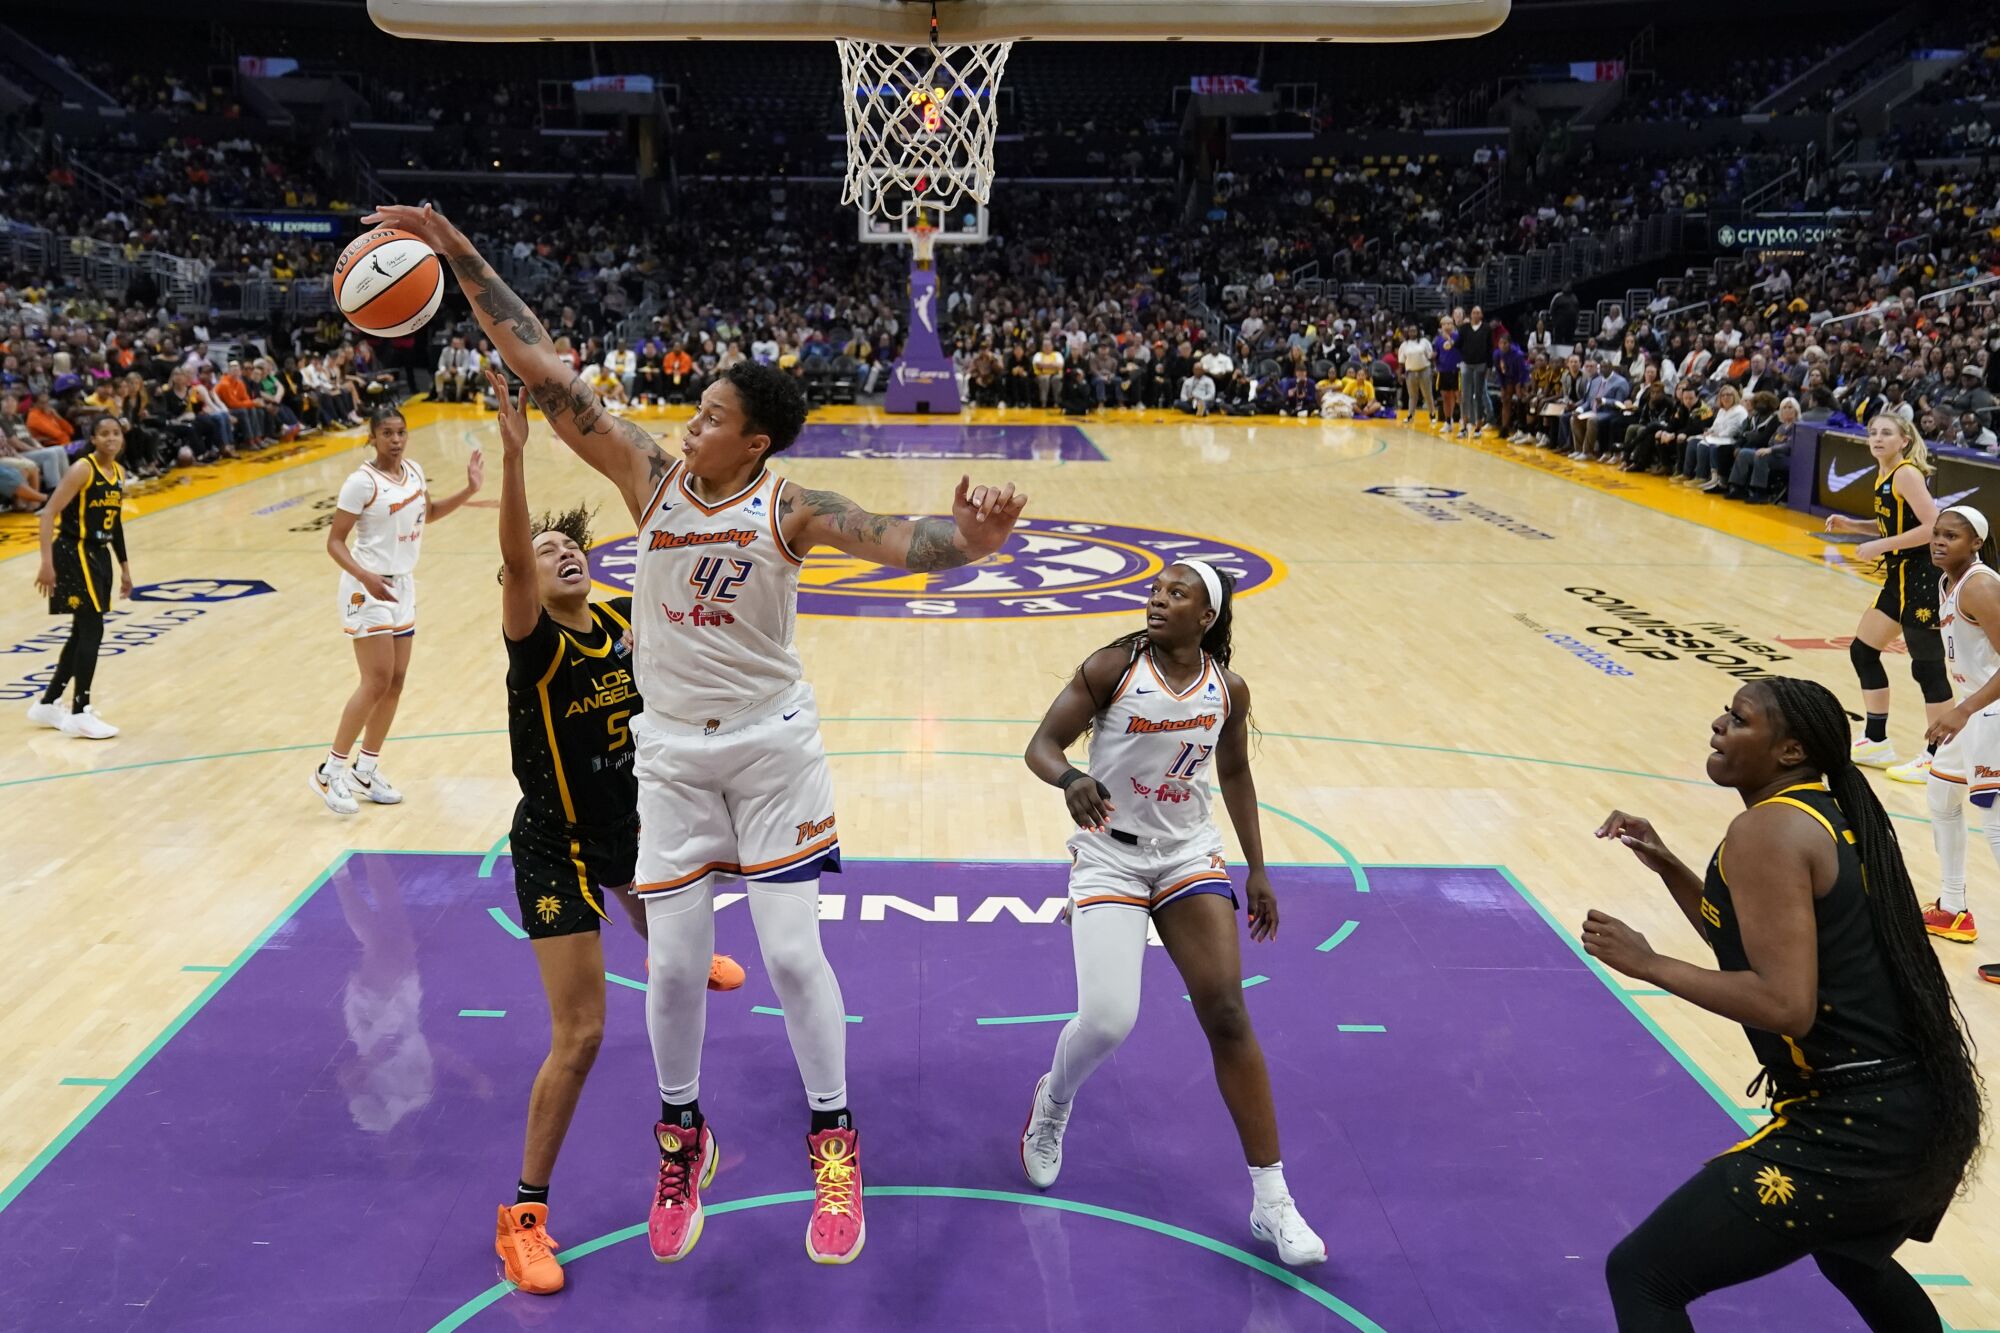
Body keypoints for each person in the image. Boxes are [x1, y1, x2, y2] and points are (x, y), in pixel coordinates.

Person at [379, 200, 1027, 1267]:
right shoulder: (649, 478)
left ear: (754, 439)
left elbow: (905, 539)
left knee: (789, 953)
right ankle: (682, 1139)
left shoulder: (792, 506)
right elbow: (548, 374)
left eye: (714, 413)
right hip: (671, 758)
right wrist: (457, 257)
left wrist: (974, 540)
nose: (693, 418)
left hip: (771, 748)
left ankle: (833, 1141)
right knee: (674, 970)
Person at [1589, 678, 1981, 1330]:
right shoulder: (1820, 810)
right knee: (1852, 1257)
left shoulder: (1766, 830)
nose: (1718, 724)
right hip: (1918, 1106)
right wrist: (1670, 867)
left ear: (1791, 749)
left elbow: (1784, 1002)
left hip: (1856, 1125)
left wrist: (1649, 963)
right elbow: (1755, 942)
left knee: (1644, 1272)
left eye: (1739, 719)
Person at [484, 369, 745, 1295]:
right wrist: (518, 459)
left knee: (665, 935)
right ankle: (522, 1217)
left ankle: (674, 947)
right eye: (546, 549)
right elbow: (516, 559)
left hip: (630, 826)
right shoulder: (538, 641)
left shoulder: (630, 622)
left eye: (570, 544)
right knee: (583, 1033)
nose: (560, 554)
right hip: (554, 839)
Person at [1017, 560, 1327, 1268]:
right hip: (1110, 855)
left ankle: (1272, 1199)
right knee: (1107, 1019)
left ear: (1206, 617)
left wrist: (1258, 866)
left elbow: (1237, 772)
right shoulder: (1110, 669)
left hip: (1188, 854)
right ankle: (1053, 1100)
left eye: (1175, 594)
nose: (1157, 600)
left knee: (1225, 1011)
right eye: (1156, 591)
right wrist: (1071, 777)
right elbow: (1041, 744)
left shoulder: (1228, 690)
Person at [311, 407, 484, 814]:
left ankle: (365, 769)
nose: (395, 439)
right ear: (372, 437)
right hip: (365, 586)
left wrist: (469, 489)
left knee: (396, 681)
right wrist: (366, 576)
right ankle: (329, 770)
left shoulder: (415, 472)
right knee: (375, 679)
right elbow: (335, 541)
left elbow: (430, 514)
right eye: (387, 433)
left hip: (401, 584)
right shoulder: (361, 482)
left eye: (401, 432)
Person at [1824, 415, 1951, 782]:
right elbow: (1897, 524)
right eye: (1873, 433)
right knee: (1863, 650)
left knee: (1927, 667)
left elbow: (1933, 527)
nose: (1877, 438)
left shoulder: (1906, 474)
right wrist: (1855, 527)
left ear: (1904, 440)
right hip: (1900, 577)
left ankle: (1939, 756)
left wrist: (1879, 545)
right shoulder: (1885, 473)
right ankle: (1876, 740)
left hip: (1922, 575)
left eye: (1886, 433)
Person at [1917, 507, 2000, 975]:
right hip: (1974, 708)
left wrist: (1964, 710)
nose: (1939, 541)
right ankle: (1953, 907)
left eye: (1952, 536)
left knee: (1996, 825)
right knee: (1941, 796)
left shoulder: (1981, 586)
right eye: (1937, 533)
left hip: (1991, 712)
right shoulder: (1949, 581)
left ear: (1975, 544)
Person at [27, 415, 131, 739]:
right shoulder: (82, 469)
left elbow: (113, 524)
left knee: (80, 632)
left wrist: (125, 567)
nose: (111, 438)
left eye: (116, 433)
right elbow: (48, 514)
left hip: (98, 554)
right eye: (104, 434)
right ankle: (80, 711)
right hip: (74, 553)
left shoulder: (118, 472)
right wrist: (46, 563)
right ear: (94, 439)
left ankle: (47, 703)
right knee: (92, 628)